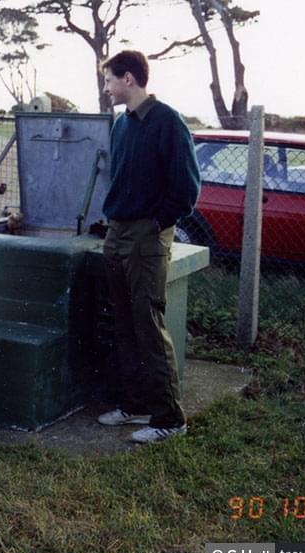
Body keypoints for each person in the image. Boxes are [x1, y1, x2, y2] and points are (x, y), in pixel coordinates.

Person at [96, 50, 200, 444]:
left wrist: (156, 224)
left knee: (148, 324)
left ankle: (169, 418)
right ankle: (135, 404)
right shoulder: (122, 125)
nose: (106, 88)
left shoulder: (168, 123)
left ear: (128, 79)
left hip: (147, 236)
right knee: (123, 321)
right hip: (117, 232)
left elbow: (186, 190)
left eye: (109, 80)